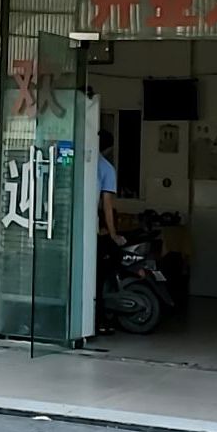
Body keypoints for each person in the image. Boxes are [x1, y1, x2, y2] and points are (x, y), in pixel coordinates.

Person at [95, 129, 123, 333]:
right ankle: (99, 320)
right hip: (95, 231)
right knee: (100, 276)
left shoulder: (82, 161)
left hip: (78, 229)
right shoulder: (106, 168)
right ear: (109, 148)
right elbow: (107, 205)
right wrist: (113, 234)